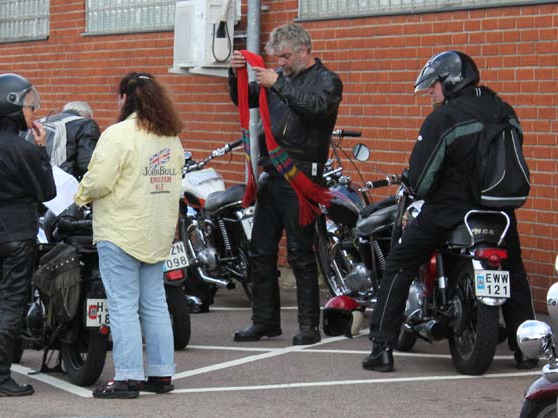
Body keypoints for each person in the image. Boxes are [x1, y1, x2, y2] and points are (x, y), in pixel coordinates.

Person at [362, 50, 537, 373]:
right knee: (514, 271)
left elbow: (423, 179)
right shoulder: (503, 108)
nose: (431, 91)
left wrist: (414, 185)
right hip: (500, 212)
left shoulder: (445, 117)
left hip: (450, 209)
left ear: (451, 82)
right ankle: (526, 349)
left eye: (435, 85)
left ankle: (382, 348)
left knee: (399, 262)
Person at [227, 23, 343, 345]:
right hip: (272, 175)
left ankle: (308, 326)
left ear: (305, 49)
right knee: (260, 251)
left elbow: (315, 110)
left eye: (286, 56)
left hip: (301, 175)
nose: (281, 63)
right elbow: (243, 98)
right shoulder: (280, 81)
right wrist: (233, 73)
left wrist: (278, 83)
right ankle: (264, 321)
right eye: (277, 58)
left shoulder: (327, 81)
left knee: (300, 253)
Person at [76, 72, 184, 399]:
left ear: (125, 98)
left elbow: (99, 180)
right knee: (154, 303)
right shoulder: (170, 137)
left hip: (121, 229)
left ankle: (127, 376)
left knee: (123, 305)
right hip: (156, 230)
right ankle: (161, 373)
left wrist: (79, 196)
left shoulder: (118, 135)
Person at [0, 73, 55, 398]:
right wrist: (41, 150)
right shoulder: (22, 148)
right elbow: (46, 191)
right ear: (13, 105)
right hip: (16, 232)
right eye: (31, 107)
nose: (35, 113)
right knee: (12, 304)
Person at [28, 101, 101, 179]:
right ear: (88, 116)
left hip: (33, 179)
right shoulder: (86, 124)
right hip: (63, 183)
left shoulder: (39, 122)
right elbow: (86, 163)